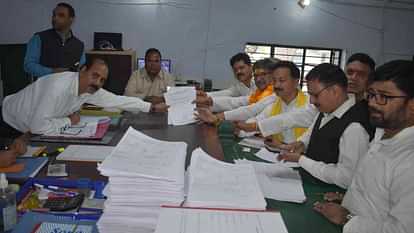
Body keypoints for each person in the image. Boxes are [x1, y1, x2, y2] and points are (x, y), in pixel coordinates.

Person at [314, 60, 414, 232]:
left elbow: (402, 229)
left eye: (384, 97)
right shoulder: (382, 133)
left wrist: (348, 219)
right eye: (372, 94)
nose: (373, 103)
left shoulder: (409, 158)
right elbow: (381, 188)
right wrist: (351, 197)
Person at [1, 59, 168, 135]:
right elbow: (38, 127)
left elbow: (117, 100)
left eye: (102, 80)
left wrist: (151, 108)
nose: (97, 82)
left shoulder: (90, 89)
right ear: (82, 70)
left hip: (29, 127)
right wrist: (68, 121)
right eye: (94, 75)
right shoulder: (57, 87)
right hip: (7, 122)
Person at [277, 63, 374, 189]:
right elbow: (313, 132)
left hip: (329, 194)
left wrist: (301, 160)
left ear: (335, 91)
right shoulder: (327, 109)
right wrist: (302, 143)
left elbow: (347, 178)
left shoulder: (355, 127)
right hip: (310, 183)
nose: (311, 101)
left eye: (315, 95)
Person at [257, 53, 376, 138]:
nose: (353, 78)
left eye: (361, 74)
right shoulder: (329, 104)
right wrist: (301, 145)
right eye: (350, 72)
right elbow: (299, 119)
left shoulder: (372, 112)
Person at [24, 2, 85, 78]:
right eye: (54, 15)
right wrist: (52, 71)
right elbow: (28, 66)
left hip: (69, 87)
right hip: (45, 86)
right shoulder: (39, 38)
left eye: (61, 15)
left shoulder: (79, 45)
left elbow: (82, 68)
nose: (55, 18)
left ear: (71, 19)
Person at [209, 58, 275, 112]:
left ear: (250, 68)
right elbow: (231, 101)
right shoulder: (239, 86)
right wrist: (205, 98)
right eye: (235, 70)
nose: (238, 72)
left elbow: (250, 110)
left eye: (241, 68)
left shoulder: (267, 88)